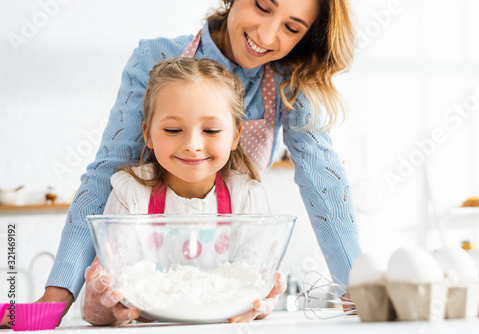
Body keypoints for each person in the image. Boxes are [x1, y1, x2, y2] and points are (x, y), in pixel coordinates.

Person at [40, 0, 362, 323]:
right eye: (263, 6)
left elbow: (323, 182)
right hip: (151, 298)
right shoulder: (156, 59)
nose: (266, 35)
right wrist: (56, 297)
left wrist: (358, 291)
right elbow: (106, 174)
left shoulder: (288, 79)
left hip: (223, 296)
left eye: (291, 28)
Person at [81, 57, 285, 325]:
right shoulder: (131, 194)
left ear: (236, 135)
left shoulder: (246, 197)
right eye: (173, 129)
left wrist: (262, 304)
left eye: (211, 130)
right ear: (148, 133)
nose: (192, 144)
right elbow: (101, 302)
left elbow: (260, 288)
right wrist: (102, 307)